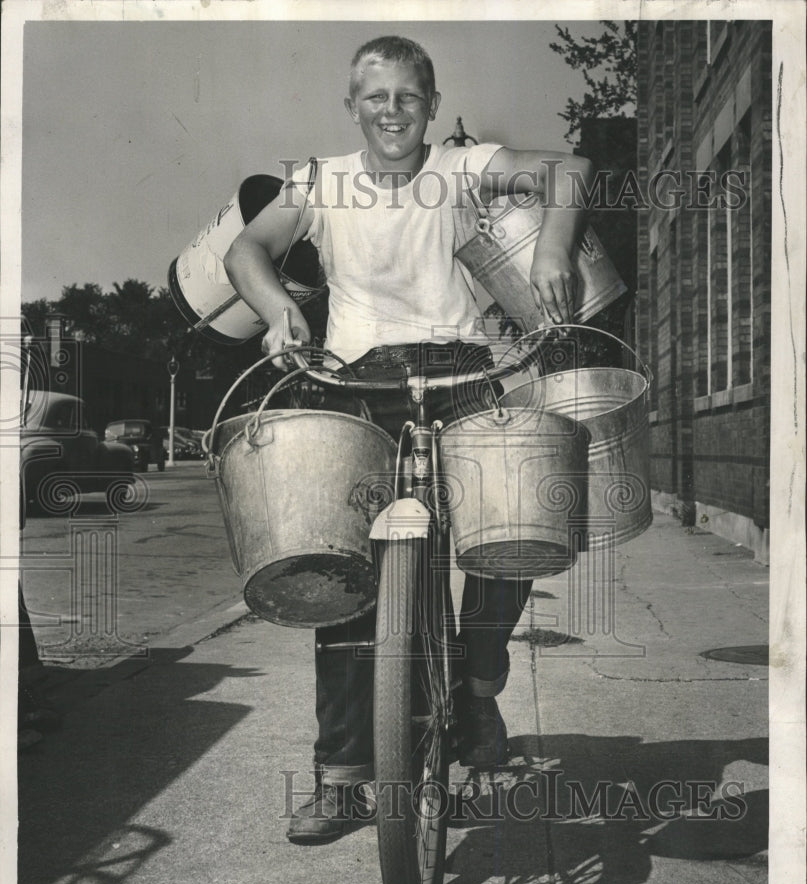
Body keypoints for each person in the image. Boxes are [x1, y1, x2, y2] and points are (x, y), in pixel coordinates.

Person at [224, 35, 593, 843]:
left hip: (461, 372)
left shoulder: (462, 168)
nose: (392, 112)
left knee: (510, 533)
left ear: (429, 102)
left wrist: (555, 247)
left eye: (408, 97)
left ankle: (478, 682)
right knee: (344, 571)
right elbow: (246, 248)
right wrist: (282, 310)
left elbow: (569, 169)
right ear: (351, 106)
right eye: (375, 98)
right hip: (357, 379)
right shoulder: (317, 181)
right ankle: (344, 777)